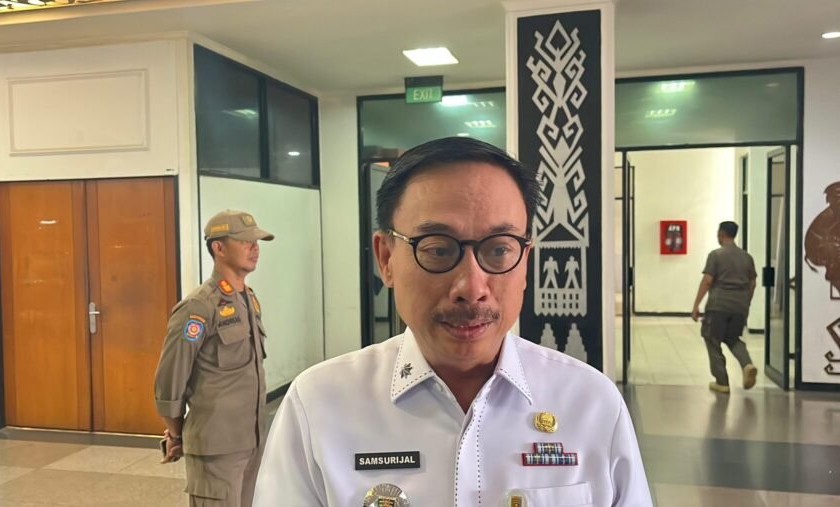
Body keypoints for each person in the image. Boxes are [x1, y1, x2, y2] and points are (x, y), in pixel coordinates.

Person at [253, 138, 652, 506]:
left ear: (525, 261)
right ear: (386, 258)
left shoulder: (591, 405)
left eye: (499, 250)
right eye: (439, 249)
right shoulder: (320, 406)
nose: (472, 288)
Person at [154, 210, 274, 507]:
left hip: (251, 440)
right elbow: (169, 381)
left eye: (256, 241)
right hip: (216, 449)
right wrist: (176, 433)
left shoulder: (247, 299)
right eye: (245, 241)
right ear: (219, 247)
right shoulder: (198, 307)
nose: (255, 248)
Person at [691, 221, 758, 394]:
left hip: (718, 305)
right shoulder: (747, 257)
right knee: (733, 338)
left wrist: (696, 305)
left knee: (712, 338)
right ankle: (747, 364)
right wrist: (746, 303)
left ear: (721, 234)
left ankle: (722, 382)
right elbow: (752, 284)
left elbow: (707, 281)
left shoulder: (715, 255)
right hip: (740, 306)